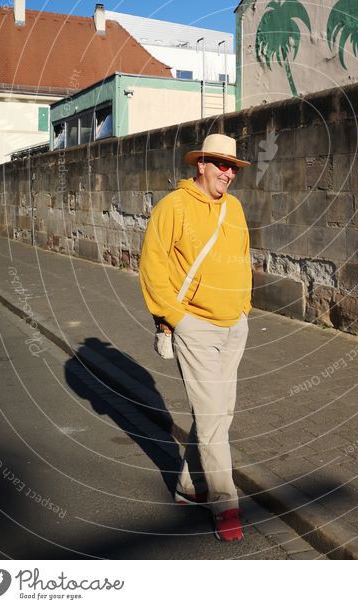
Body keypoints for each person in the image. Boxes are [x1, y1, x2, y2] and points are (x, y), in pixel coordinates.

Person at [139, 133, 252, 542]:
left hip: (233, 325)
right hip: (195, 327)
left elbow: (243, 257)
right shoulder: (174, 206)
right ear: (200, 164)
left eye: (233, 167)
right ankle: (226, 504)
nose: (228, 172)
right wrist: (175, 318)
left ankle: (188, 485)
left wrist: (244, 307)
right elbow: (152, 264)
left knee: (219, 414)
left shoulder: (234, 208)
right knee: (211, 417)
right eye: (220, 164)